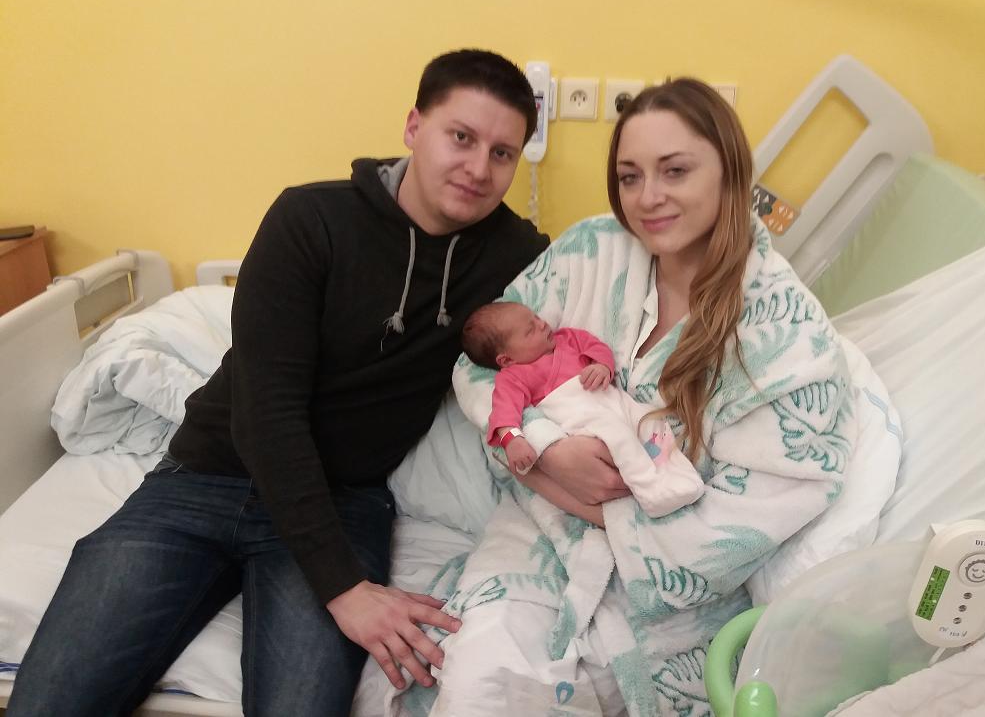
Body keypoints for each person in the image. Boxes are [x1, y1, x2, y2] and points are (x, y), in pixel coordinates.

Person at [7, 49, 550, 717]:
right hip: (202, 481)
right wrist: (345, 589)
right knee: (52, 700)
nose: (479, 168)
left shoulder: (515, 255)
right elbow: (267, 411)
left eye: (502, 153)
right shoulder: (310, 220)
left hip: (343, 499)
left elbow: (604, 281)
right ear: (414, 126)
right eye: (460, 137)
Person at [391, 78, 858, 716]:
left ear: (729, 170)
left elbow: (762, 511)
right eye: (630, 176)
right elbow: (479, 367)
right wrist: (548, 455)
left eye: (675, 171)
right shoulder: (592, 250)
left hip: (660, 593)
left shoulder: (786, 336)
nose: (648, 197)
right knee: (475, 684)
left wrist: (593, 504)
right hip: (535, 529)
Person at [460, 301, 704, 517]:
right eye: (530, 330)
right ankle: (652, 493)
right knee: (620, 438)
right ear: (507, 360)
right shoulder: (513, 377)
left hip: (613, 400)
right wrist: (513, 440)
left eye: (536, 317)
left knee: (650, 422)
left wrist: (602, 366)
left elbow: (597, 348)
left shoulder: (567, 338)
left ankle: (680, 476)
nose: (542, 324)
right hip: (582, 417)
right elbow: (504, 413)